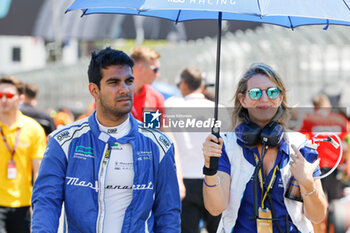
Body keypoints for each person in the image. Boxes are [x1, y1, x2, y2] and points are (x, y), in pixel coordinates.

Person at [31, 47, 181, 233]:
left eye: (129, 81)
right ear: (94, 90)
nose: (124, 89)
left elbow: (168, 213)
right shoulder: (63, 141)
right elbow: (46, 202)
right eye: (114, 82)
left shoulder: (159, 143)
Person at [202, 63, 328, 233]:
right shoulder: (226, 145)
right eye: (255, 93)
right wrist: (210, 169)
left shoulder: (301, 146)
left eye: (272, 92)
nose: (264, 99)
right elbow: (215, 208)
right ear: (243, 100)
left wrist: (306, 183)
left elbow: (317, 216)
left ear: (280, 98)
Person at [166, 67, 221, 233]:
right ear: (202, 85)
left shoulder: (169, 107)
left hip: (183, 180)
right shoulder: (218, 109)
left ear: (183, 84)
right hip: (213, 178)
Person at [0, 76, 46, 233]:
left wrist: (38, 206)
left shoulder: (33, 129)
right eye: (0, 95)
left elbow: (38, 171)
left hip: (23, 204)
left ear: (21, 98)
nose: (4, 99)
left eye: (9, 95)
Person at [298, 94, 348, 233]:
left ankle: (318, 229)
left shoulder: (309, 119)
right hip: (335, 166)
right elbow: (348, 140)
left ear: (315, 106)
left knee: (314, 199)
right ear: (328, 105)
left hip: (315, 166)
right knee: (335, 202)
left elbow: (299, 139)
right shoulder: (340, 120)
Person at [130, 46, 165, 122]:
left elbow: (156, 130)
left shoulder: (155, 97)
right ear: (141, 68)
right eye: (155, 70)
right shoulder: (114, 93)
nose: (158, 74)